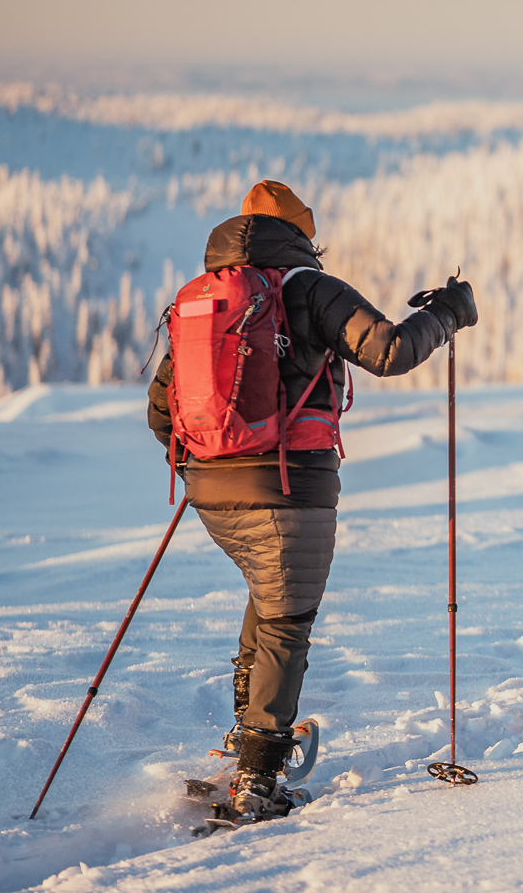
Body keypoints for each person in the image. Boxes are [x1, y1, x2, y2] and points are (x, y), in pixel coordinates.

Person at [146, 180, 476, 818]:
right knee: (285, 622)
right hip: (291, 485)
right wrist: (448, 314)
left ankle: (245, 742)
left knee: (268, 603)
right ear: (299, 234)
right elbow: (391, 349)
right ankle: (259, 772)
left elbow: (163, 409)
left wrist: (209, 462)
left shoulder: (202, 297)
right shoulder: (309, 287)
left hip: (213, 491)